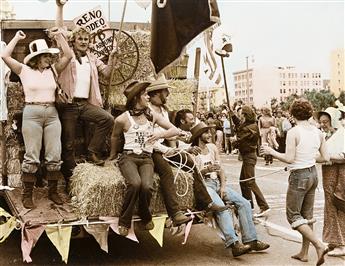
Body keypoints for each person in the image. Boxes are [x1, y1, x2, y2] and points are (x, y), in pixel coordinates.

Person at [1, 30, 72, 208]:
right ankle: (27, 195)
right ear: (36, 58)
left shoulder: (53, 71)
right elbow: (4, 55)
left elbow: (68, 55)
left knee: (54, 154)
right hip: (31, 113)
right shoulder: (23, 70)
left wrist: (59, 37)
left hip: (52, 113)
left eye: (49, 56)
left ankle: (53, 191)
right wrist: (17, 38)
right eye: (45, 56)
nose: (49, 59)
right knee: (32, 155)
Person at [261, 99, 330, 265]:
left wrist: (271, 151)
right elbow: (326, 158)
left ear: (292, 114)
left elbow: (289, 158)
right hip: (313, 174)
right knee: (307, 216)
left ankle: (319, 245)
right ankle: (304, 253)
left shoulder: (294, 132)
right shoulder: (317, 132)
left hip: (299, 176)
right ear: (309, 113)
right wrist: (309, 157)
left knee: (293, 216)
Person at [186, 121, 271, 257]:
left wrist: (223, 187)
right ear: (198, 136)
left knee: (244, 203)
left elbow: (221, 169)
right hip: (204, 186)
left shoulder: (212, 148)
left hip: (217, 183)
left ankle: (251, 240)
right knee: (221, 208)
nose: (209, 135)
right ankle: (234, 244)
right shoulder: (193, 153)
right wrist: (205, 170)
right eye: (206, 132)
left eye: (209, 132)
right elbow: (193, 176)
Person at [55, 0, 115, 187]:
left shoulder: (92, 58)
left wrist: (112, 58)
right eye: (80, 39)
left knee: (107, 119)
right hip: (69, 104)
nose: (83, 42)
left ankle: (92, 150)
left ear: (90, 43)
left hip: (86, 104)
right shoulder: (65, 55)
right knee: (69, 143)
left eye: (86, 40)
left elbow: (107, 73)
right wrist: (60, 6)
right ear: (73, 41)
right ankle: (70, 177)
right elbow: (59, 29)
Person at [108, 81, 180, 236]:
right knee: (135, 183)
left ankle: (145, 215)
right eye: (144, 94)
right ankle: (124, 221)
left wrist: (160, 134)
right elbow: (114, 137)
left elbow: (174, 129)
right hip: (128, 157)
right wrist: (113, 155)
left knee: (147, 186)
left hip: (147, 158)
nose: (148, 97)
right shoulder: (122, 119)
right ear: (136, 98)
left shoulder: (151, 115)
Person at [146, 76, 227, 214]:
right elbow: (149, 139)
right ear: (157, 93)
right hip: (152, 149)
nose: (168, 94)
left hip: (163, 147)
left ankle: (205, 203)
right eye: (165, 91)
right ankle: (175, 212)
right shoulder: (147, 111)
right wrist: (168, 150)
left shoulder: (164, 111)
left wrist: (184, 143)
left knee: (190, 163)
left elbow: (169, 133)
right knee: (166, 172)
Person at [228, 105, 270, 217]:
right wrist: (232, 115)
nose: (239, 116)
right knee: (243, 181)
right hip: (248, 156)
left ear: (245, 115)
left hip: (249, 156)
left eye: (241, 114)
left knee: (250, 181)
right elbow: (240, 126)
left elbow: (241, 138)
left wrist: (234, 141)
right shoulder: (250, 125)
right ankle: (249, 205)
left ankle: (264, 206)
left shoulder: (250, 128)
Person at [317, 108, 345, 257]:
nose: (323, 125)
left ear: (333, 120)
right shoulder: (327, 135)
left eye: (326, 122)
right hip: (329, 175)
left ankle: (342, 244)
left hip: (340, 175)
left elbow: (343, 156)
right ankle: (334, 241)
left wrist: (326, 157)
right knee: (330, 207)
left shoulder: (342, 134)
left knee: (338, 205)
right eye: (321, 122)